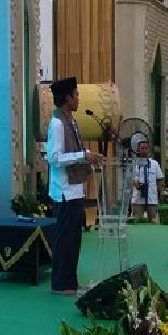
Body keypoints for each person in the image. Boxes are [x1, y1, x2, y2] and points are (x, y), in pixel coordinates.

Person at [46, 77, 104, 296]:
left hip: (75, 189)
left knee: (73, 240)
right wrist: (83, 156)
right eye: (76, 95)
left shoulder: (71, 120)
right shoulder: (57, 123)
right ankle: (60, 284)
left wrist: (87, 155)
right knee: (64, 240)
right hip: (64, 190)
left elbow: (74, 153)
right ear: (67, 98)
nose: (79, 98)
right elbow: (54, 158)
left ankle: (70, 282)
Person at [129, 133, 165, 221]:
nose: (144, 150)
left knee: (153, 220)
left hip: (151, 198)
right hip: (138, 198)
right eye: (142, 148)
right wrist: (135, 183)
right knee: (137, 221)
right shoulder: (134, 164)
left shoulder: (154, 164)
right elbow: (130, 178)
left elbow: (159, 180)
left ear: (149, 149)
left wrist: (161, 193)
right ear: (138, 149)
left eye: (146, 148)